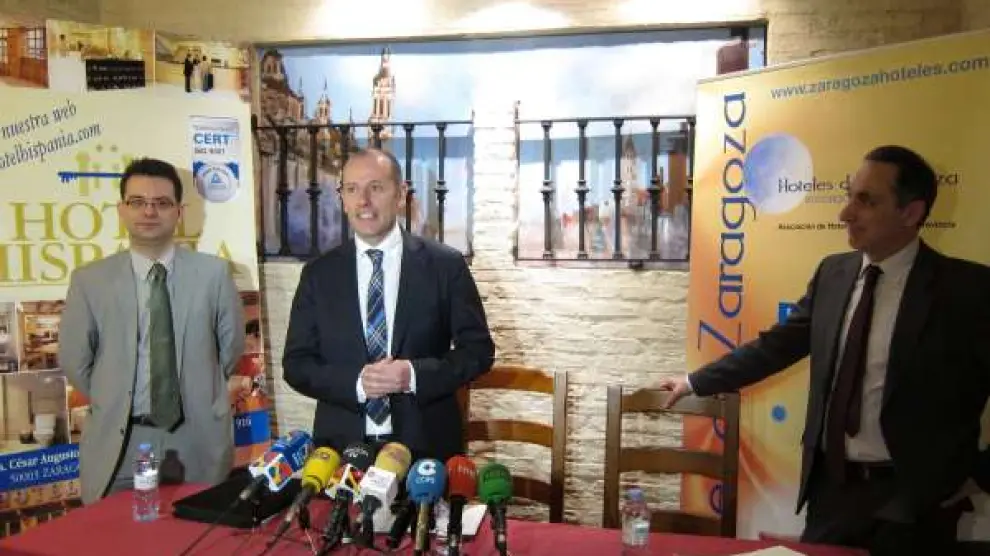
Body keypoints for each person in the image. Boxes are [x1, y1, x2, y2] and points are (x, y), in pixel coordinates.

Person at [659, 145, 990, 556]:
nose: (845, 213)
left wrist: (975, 473)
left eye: (866, 200)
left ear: (911, 212)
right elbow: (776, 347)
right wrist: (695, 381)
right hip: (833, 494)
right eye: (849, 196)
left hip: (917, 504)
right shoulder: (834, 273)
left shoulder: (968, 291)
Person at [282, 147, 494, 462]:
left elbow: (478, 352)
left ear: (400, 194)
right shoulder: (319, 274)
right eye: (352, 189)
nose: (363, 201)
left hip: (426, 450)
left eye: (376, 187)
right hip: (341, 451)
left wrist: (413, 375)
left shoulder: (445, 266)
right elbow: (296, 364)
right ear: (342, 199)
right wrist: (357, 383)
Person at [60, 157, 244, 504]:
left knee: (197, 530)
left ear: (179, 212)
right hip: (121, 441)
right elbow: (75, 361)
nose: (149, 211)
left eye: (161, 203)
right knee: (116, 531)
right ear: (121, 210)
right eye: (137, 202)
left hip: (197, 437)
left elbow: (230, 351)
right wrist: (113, 396)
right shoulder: (90, 281)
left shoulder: (214, 275)